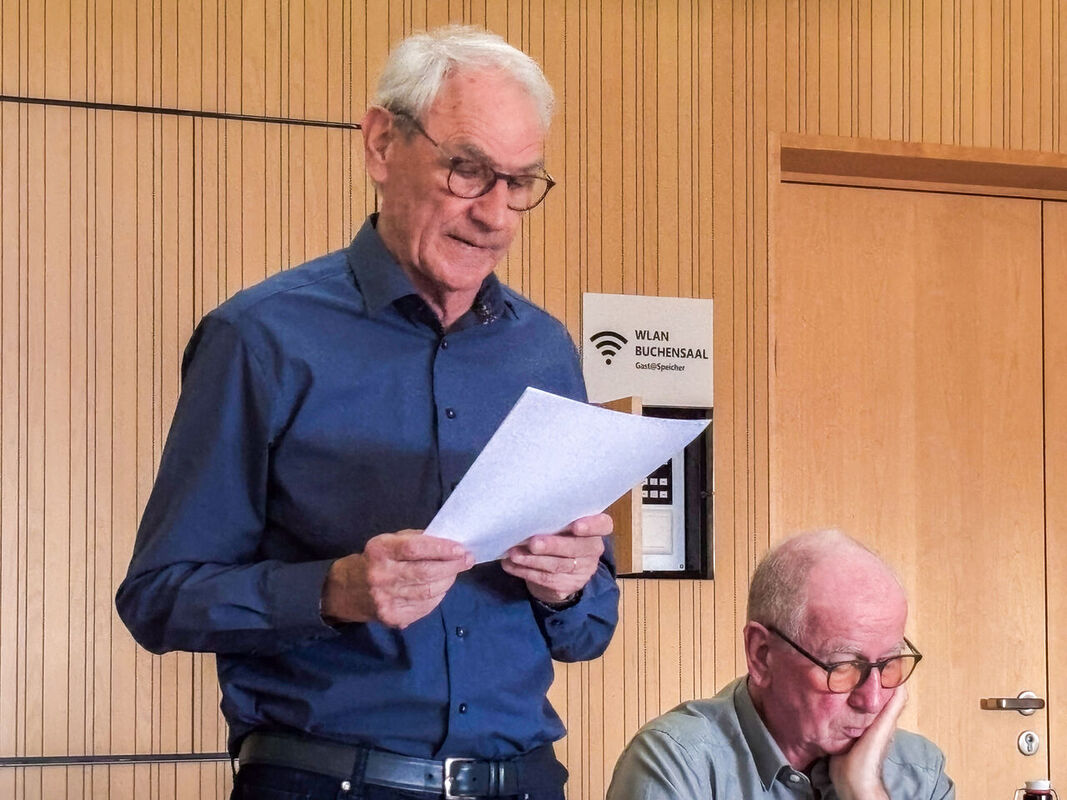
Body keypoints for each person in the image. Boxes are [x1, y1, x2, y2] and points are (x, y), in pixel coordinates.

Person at [116, 25, 619, 800]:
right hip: (327, 781)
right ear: (382, 144)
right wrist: (334, 591)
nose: (496, 215)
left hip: (521, 780)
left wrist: (569, 586)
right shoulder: (260, 339)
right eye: (467, 170)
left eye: (519, 182)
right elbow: (160, 597)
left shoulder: (544, 351)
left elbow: (587, 631)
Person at [606, 530, 954, 800]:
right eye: (845, 666)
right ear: (762, 655)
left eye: (890, 663)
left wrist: (865, 791)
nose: (873, 701)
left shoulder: (919, 771)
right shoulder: (677, 763)